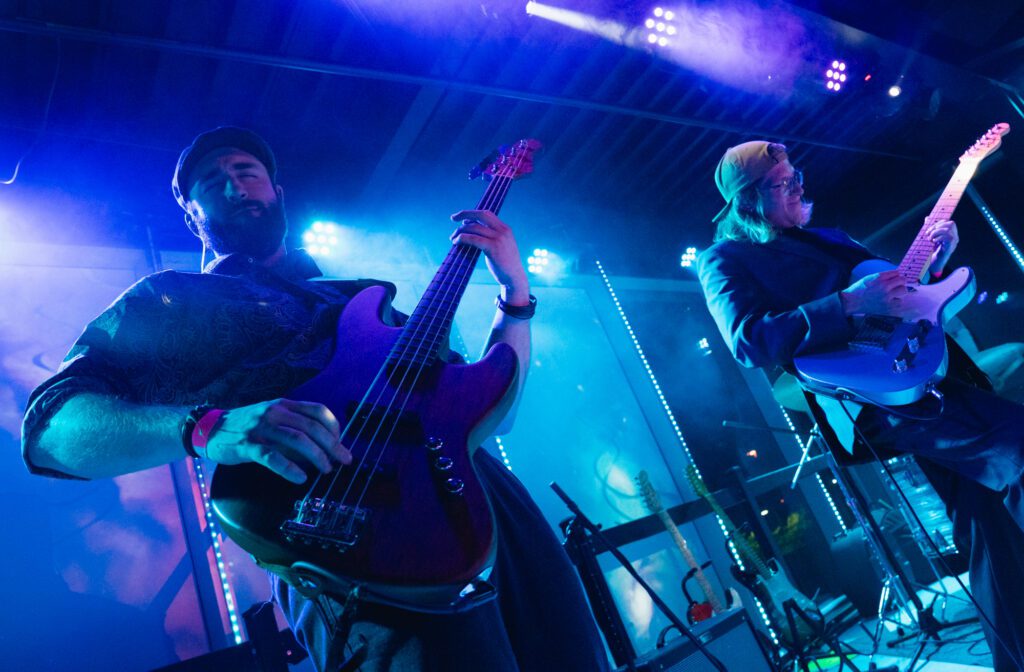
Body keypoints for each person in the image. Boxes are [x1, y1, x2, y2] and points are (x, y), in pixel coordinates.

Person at [20, 127, 610, 671]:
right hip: (354, 538)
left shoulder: (363, 298)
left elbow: (487, 407)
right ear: (190, 210)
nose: (233, 182)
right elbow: (49, 429)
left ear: (277, 189)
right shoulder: (170, 299)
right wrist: (207, 427)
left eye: (247, 169)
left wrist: (515, 293)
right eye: (210, 180)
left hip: (488, 507)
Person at [697, 140, 1024, 671]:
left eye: (796, 174)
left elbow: (902, 295)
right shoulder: (725, 258)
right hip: (877, 395)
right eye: (784, 183)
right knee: (1018, 448)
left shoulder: (829, 238)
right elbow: (747, 339)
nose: (800, 186)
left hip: (933, 371)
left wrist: (933, 262)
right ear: (750, 202)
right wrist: (850, 303)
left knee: (986, 519)